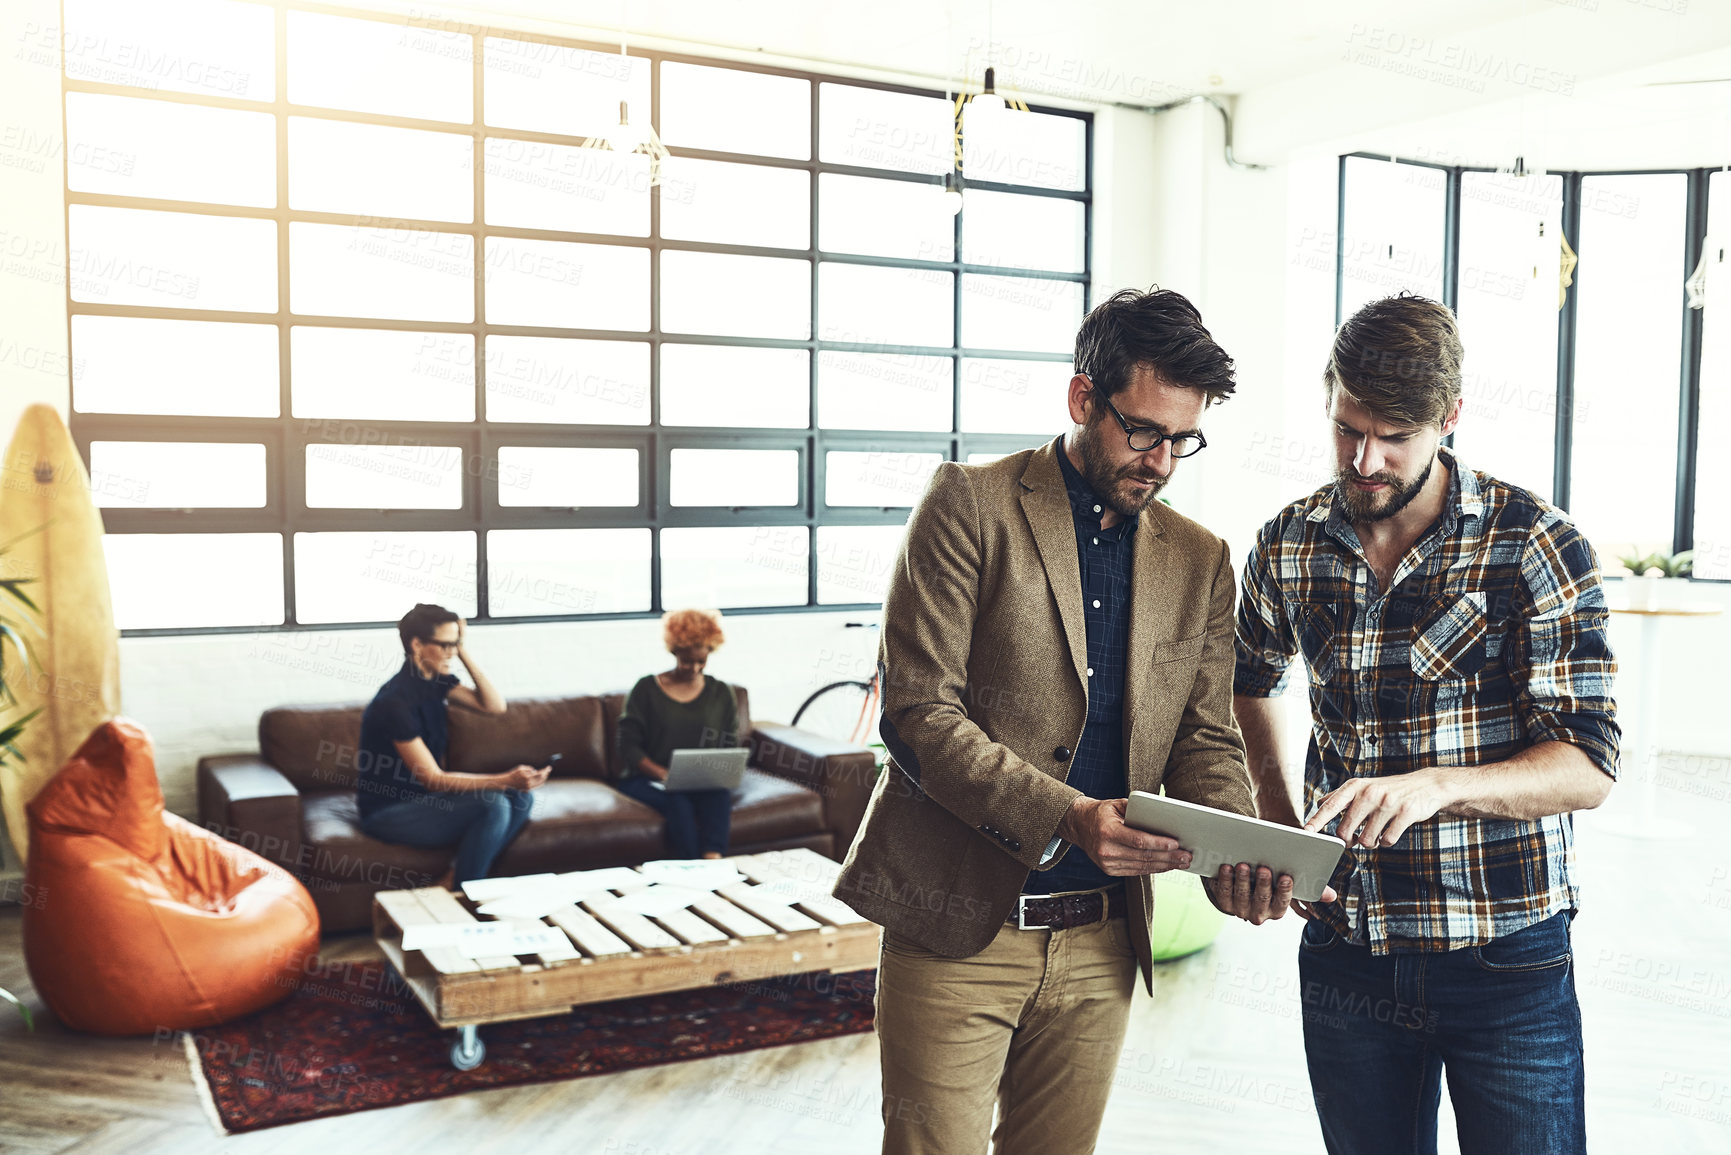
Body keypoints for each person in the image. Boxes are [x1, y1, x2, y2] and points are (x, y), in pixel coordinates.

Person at [834, 287, 1328, 1155]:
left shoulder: (1201, 558)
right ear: (1081, 399)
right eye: (1142, 430)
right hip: (957, 927)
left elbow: (1204, 736)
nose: (1162, 460)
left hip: (1104, 940)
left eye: (1183, 439)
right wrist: (1065, 815)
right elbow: (917, 714)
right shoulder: (966, 504)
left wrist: (1234, 851)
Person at [1232, 294, 1619, 1155]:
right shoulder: (1285, 545)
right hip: (1345, 949)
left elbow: (1588, 765)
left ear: (1448, 417)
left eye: (1393, 436)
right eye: (1345, 428)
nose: (1363, 459)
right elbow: (1250, 678)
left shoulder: (1535, 545)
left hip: (1504, 956)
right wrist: (1272, 810)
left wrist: (1439, 787)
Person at [356, 603, 549, 886]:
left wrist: (462, 650)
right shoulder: (394, 703)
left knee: (521, 798)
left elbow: (494, 706)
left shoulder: (435, 683)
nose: (452, 652)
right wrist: (505, 779)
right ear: (418, 645)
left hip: (426, 802)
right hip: (390, 811)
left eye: (455, 644)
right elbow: (433, 779)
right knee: (492, 805)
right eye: (445, 645)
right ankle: (463, 892)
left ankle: (455, 877)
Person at [616, 609, 740, 860]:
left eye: (701, 662)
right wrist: (662, 773)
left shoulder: (721, 692)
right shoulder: (646, 689)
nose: (694, 668)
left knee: (718, 797)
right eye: (687, 661)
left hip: (702, 779)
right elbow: (627, 746)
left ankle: (712, 861)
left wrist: (717, 771)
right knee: (678, 801)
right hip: (647, 778)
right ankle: (692, 866)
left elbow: (730, 742)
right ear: (674, 652)